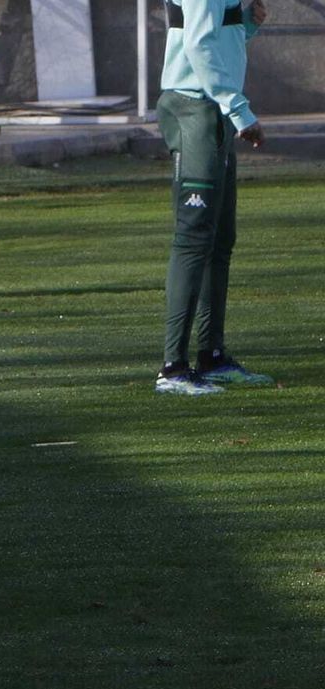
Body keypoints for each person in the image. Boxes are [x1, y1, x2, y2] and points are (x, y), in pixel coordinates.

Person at [152, 0, 273, 395]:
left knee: (219, 241)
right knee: (193, 238)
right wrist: (239, 109)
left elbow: (215, 35)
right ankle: (172, 369)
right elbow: (199, 44)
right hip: (195, 107)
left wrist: (248, 25)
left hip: (212, 108)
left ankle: (212, 356)